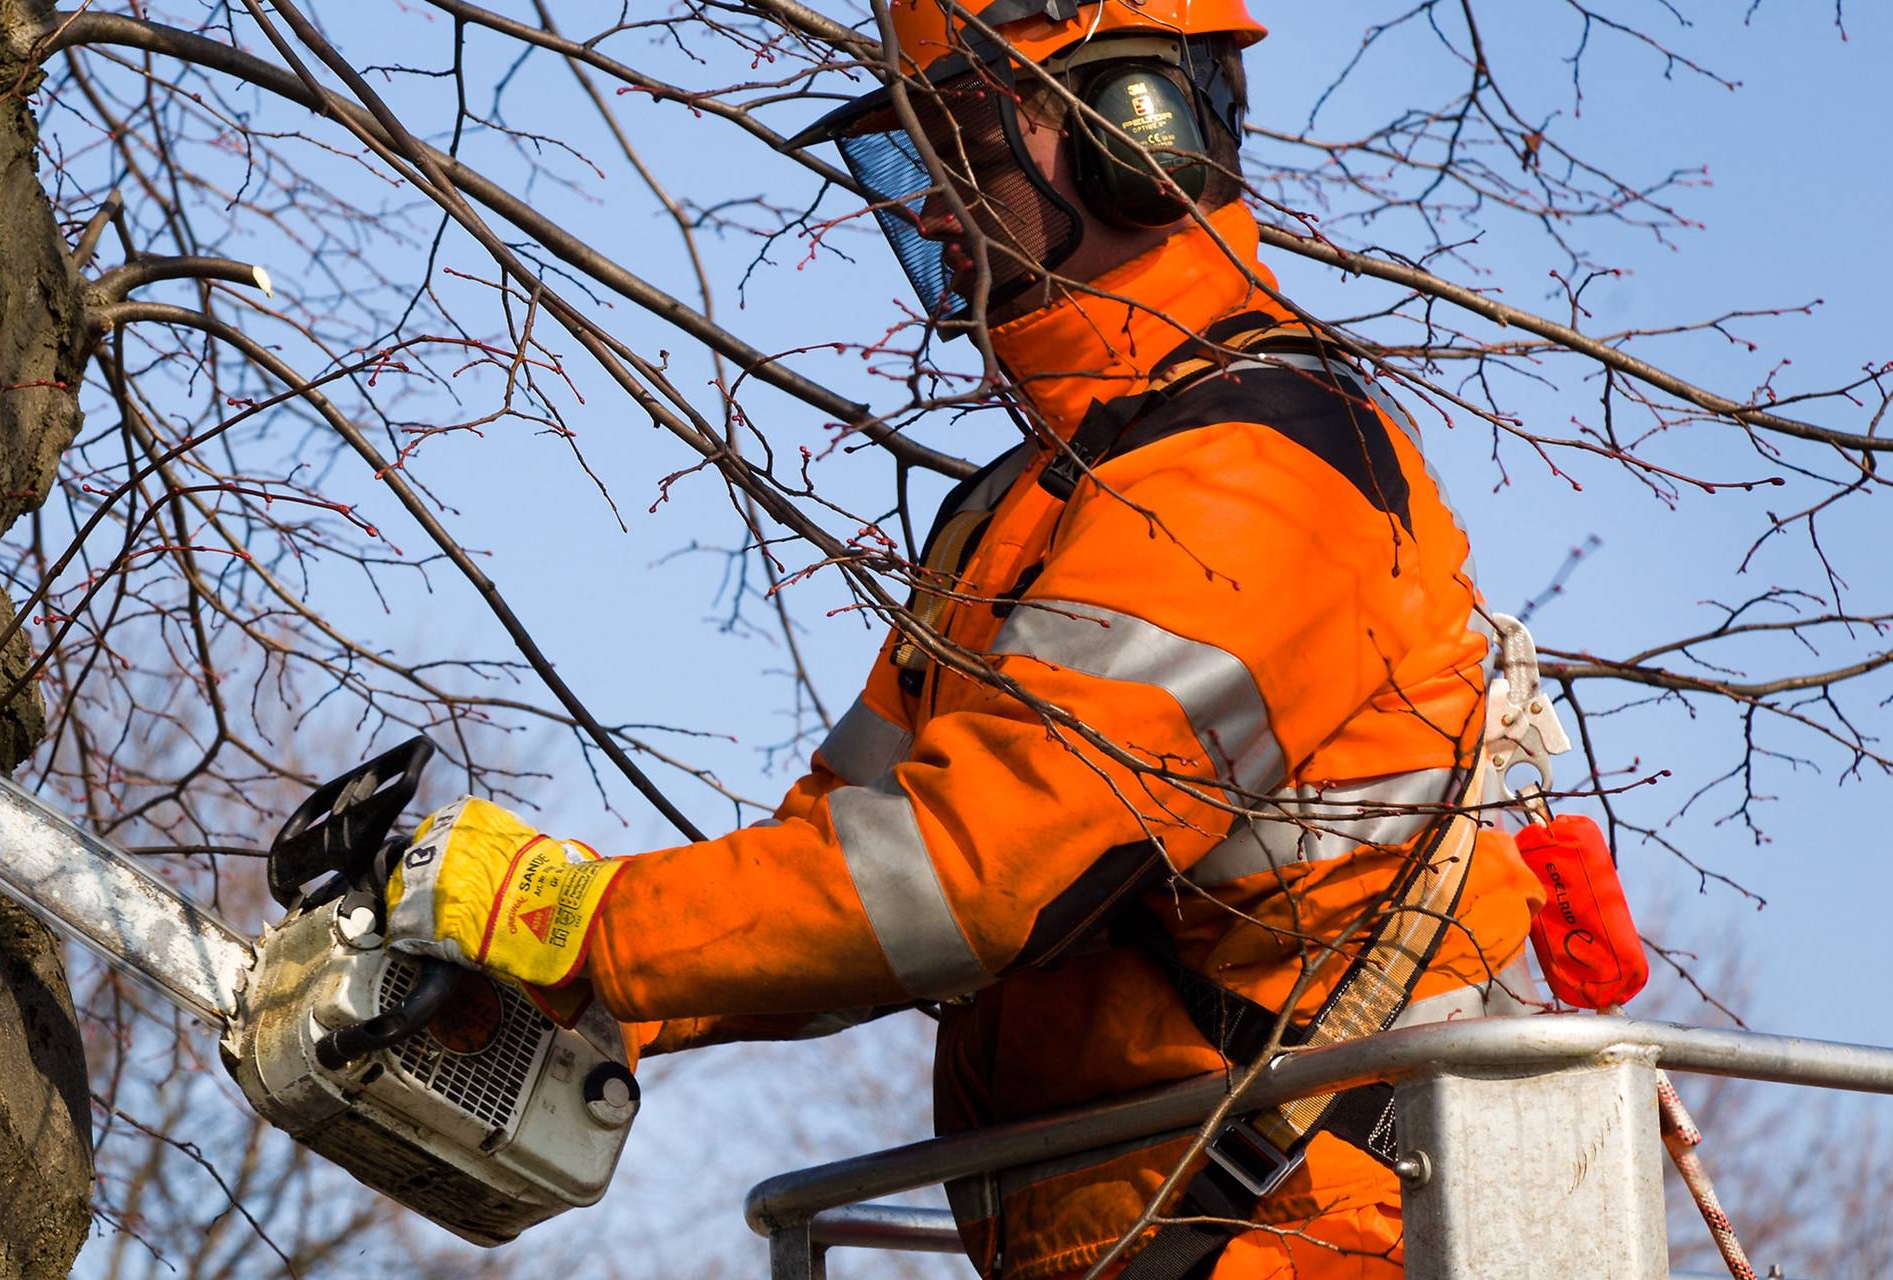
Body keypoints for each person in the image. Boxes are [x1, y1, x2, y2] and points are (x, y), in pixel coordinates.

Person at [383, 2, 1544, 1276]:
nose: (933, 209)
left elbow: (971, 872)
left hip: (1314, 1227)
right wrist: (564, 968)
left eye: (968, 152)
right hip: (1149, 1227)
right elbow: (844, 863)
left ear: (1135, 138)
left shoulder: (1250, 477)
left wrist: (590, 921)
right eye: (915, 163)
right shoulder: (1023, 507)